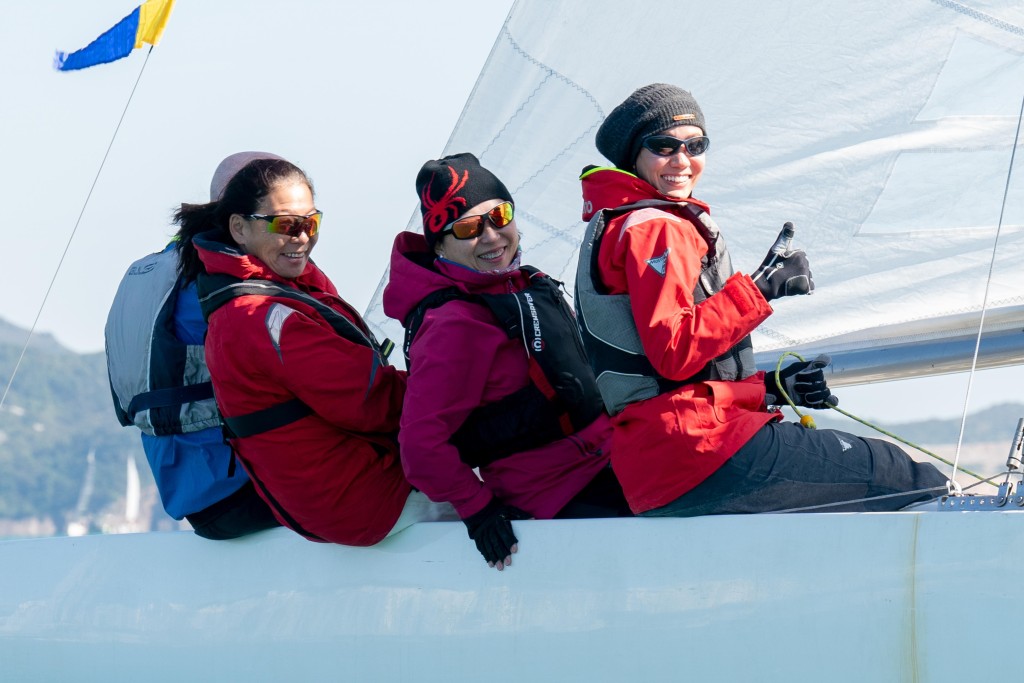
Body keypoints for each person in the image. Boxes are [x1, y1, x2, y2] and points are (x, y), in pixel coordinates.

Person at [575, 83, 948, 518]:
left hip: (663, 466)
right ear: (633, 157)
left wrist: (771, 388)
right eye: (663, 146)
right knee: (901, 477)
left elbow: (664, 369)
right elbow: (673, 352)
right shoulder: (657, 228)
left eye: (696, 145)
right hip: (702, 451)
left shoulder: (620, 223)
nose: (682, 160)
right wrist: (761, 287)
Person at [175, 156, 454, 546]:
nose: (303, 237)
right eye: (286, 225)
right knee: (509, 490)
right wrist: (466, 392)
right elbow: (371, 401)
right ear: (238, 228)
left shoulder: (252, 295)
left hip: (327, 499)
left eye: (311, 223)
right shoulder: (261, 317)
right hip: (363, 502)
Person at [383, 153, 631, 571]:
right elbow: (421, 447)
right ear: (439, 244)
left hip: (607, 454)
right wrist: (476, 509)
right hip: (556, 490)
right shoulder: (452, 325)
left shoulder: (517, 285)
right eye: (466, 228)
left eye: (499, 215)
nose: (492, 236)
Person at [105, 152, 282, 540]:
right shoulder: (218, 278)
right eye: (282, 216)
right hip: (244, 488)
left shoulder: (148, 270)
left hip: (192, 495)